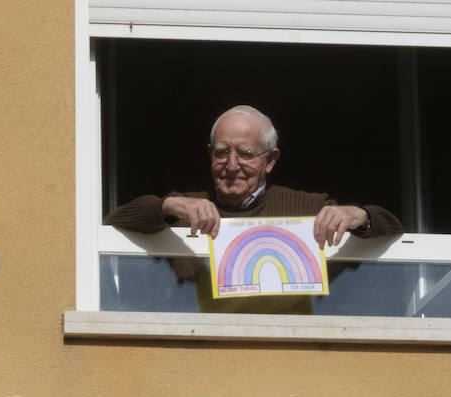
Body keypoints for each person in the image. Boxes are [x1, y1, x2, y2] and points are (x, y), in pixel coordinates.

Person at [104, 105, 403, 314]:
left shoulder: (307, 208)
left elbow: (393, 228)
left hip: (292, 356)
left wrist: (359, 216)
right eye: (222, 153)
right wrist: (168, 205)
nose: (231, 166)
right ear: (210, 155)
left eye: (245, 154)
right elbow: (114, 223)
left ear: (270, 160)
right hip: (203, 355)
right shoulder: (187, 209)